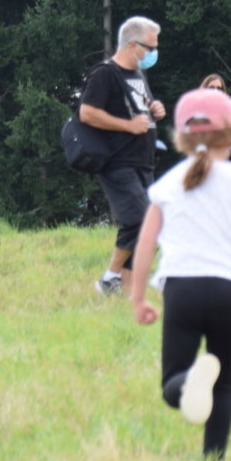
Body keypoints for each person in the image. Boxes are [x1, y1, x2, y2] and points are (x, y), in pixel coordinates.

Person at [129, 88, 231, 461]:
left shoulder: (167, 185)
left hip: (182, 290)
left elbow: (145, 245)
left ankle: (189, 379)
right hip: (227, 291)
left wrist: (138, 297)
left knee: (172, 385)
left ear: (182, 136)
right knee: (225, 384)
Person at [78, 16, 167, 296]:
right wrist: (128, 125)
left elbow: (136, 109)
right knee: (140, 220)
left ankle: (126, 291)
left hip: (143, 160)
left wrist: (154, 110)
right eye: (150, 48)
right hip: (118, 161)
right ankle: (109, 278)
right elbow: (87, 112)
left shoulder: (137, 75)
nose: (154, 53)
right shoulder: (105, 73)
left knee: (142, 224)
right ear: (132, 45)